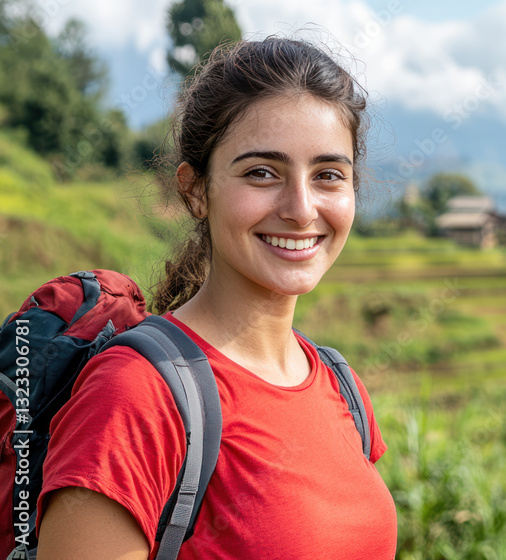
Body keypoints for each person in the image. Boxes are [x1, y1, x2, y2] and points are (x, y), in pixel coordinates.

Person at [34, 37, 397, 559]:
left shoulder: (342, 387)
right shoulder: (134, 396)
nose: (300, 208)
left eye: (328, 176)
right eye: (261, 173)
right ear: (196, 190)